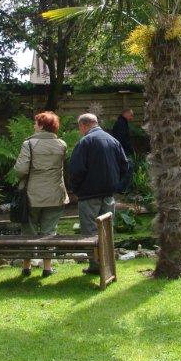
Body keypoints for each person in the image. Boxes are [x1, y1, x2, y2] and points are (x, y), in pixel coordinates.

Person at [69, 113, 130, 274]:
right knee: (106, 229)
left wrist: (76, 189)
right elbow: (125, 166)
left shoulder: (85, 142)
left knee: (90, 231)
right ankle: (107, 264)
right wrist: (117, 185)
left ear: (83, 125)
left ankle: (96, 265)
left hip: (89, 195)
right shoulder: (113, 140)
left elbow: (76, 170)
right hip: (109, 194)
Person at [13, 111, 69, 278]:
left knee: (28, 232)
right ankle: (47, 268)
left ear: (42, 126)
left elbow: (21, 169)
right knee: (49, 231)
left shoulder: (29, 144)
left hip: (32, 196)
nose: (34, 125)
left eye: (36, 123)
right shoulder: (62, 144)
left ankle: (26, 266)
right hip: (56, 194)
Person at [111, 108, 135, 192]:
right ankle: (122, 189)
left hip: (121, 150)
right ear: (125, 114)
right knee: (128, 168)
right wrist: (129, 149)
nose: (132, 117)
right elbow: (122, 139)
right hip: (123, 151)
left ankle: (121, 188)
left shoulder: (122, 123)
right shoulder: (121, 124)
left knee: (124, 169)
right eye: (131, 115)